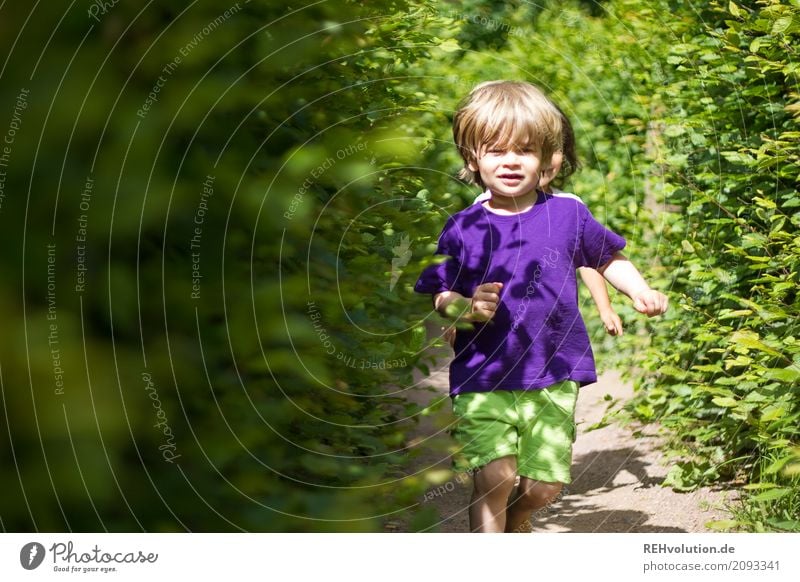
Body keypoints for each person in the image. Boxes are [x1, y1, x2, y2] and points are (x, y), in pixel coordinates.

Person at [415, 80, 668, 533]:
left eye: (525, 150)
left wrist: (638, 290)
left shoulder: (569, 215)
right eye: (495, 150)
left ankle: (519, 521)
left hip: (554, 371)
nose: (510, 160)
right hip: (483, 372)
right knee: (495, 475)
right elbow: (440, 292)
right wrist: (464, 308)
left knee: (543, 487)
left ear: (548, 161)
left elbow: (606, 256)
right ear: (473, 159)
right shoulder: (463, 227)